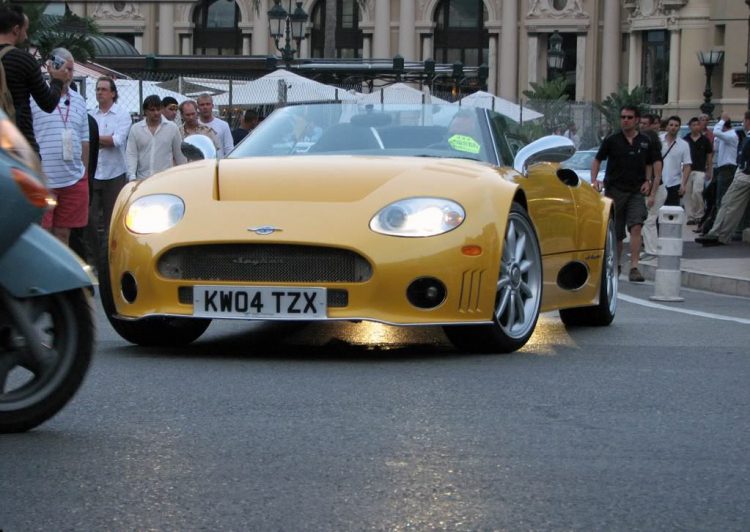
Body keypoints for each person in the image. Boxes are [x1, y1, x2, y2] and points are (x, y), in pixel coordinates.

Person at [591, 105, 659, 282]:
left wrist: (648, 181)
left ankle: (634, 267)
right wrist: (594, 180)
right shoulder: (612, 140)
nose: (625, 120)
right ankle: (616, 264)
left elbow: (649, 163)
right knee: (617, 232)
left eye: (629, 117)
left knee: (636, 226)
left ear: (636, 120)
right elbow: (598, 160)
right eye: (623, 117)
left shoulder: (645, 141)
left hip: (636, 190)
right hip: (615, 190)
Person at [30, 48, 88, 247]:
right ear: (54, 67)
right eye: (66, 69)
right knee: (43, 235)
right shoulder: (35, 97)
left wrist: (84, 172)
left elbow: (85, 138)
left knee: (64, 236)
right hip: (44, 179)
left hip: (72, 178)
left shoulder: (79, 100)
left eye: (72, 70)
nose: (70, 74)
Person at [0, 4, 70, 153]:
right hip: (18, 146)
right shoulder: (23, 59)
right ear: (16, 30)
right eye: (25, 30)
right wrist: (57, 81)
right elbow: (48, 103)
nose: (26, 36)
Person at [86, 76, 131, 260]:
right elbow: (88, 140)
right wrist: (103, 139)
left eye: (104, 89)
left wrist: (95, 139)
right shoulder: (90, 114)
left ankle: (111, 257)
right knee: (89, 218)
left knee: (112, 218)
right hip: (94, 172)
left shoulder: (122, 114)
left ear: (113, 93)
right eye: (98, 89)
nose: (99, 92)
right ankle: (96, 258)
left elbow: (117, 141)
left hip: (115, 173)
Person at [696, 111, 750, 247]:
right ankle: (719, 233)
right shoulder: (742, 136)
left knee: (729, 203)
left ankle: (718, 234)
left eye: (745, 119)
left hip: (742, 173)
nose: (743, 122)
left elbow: (717, 133)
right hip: (740, 171)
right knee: (730, 204)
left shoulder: (733, 135)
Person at [641, 116, 691, 261]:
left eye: (676, 125)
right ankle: (653, 247)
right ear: (667, 126)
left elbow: (687, 165)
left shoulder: (683, 145)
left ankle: (659, 248)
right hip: (658, 185)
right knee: (652, 220)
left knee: (666, 218)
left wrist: (683, 184)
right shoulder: (659, 143)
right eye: (671, 125)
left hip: (669, 184)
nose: (673, 127)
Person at [126, 95, 186, 181]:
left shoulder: (172, 128)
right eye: (152, 110)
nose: (156, 113)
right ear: (145, 111)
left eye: (158, 109)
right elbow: (131, 154)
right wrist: (132, 176)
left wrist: (183, 175)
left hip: (165, 179)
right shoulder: (136, 129)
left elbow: (179, 153)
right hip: (142, 179)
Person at [682, 117, 713, 225]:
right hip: (687, 169)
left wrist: (709, 170)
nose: (696, 127)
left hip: (700, 169)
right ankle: (690, 216)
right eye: (693, 125)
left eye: (697, 125)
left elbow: (709, 155)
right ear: (690, 127)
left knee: (697, 192)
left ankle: (699, 214)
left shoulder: (705, 140)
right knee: (687, 194)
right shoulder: (685, 139)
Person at [197, 92, 233, 157]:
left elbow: (229, 148)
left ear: (212, 106)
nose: (205, 107)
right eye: (202, 105)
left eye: (208, 104)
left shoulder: (223, 125)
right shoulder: (194, 125)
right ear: (198, 107)